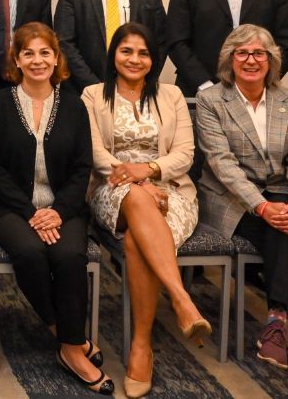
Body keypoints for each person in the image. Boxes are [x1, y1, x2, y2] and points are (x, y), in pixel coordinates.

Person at [195, 24, 288, 390]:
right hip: (230, 200)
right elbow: (222, 165)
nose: (251, 60)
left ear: (271, 60)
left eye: (259, 53)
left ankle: (277, 323)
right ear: (230, 59)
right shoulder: (212, 100)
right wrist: (263, 207)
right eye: (242, 53)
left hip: (283, 197)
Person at [0, 22, 112, 395]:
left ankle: (70, 345)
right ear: (17, 60)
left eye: (44, 53)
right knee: (31, 251)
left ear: (56, 59)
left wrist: (58, 211)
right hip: (6, 205)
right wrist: (31, 212)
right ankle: (69, 340)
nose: (37, 60)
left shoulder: (74, 106)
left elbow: (82, 168)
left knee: (68, 254)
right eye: (28, 53)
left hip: (63, 206)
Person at [81, 23, 211, 398]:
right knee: (138, 200)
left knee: (136, 240)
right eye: (126, 51)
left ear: (154, 59)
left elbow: (185, 153)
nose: (135, 59)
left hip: (172, 193)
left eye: (143, 53)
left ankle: (141, 346)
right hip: (112, 188)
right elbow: (95, 153)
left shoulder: (172, 95)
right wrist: (136, 181)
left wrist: (150, 171)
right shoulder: (92, 95)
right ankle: (181, 299)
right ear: (113, 55)